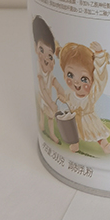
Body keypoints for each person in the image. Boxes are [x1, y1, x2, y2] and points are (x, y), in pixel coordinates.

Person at [58, 41, 110, 154]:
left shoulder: (91, 95)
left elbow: (100, 79)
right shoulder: (69, 93)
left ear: (92, 79)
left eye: (84, 79)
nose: (76, 82)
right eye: (70, 75)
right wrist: (63, 99)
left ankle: (105, 146)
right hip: (75, 119)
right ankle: (75, 144)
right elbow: (68, 101)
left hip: (88, 119)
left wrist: (99, 56)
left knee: (97, 133)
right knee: (73, 132)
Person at [33, 16, 63, 144]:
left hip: (48, 98)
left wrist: (62, 92)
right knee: (46, 113)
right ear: (36, 48)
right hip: (44, 98)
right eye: (41, 50)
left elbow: (55, 83)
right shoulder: (40, 74)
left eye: (50, 56)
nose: (46, 57)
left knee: (48, 114)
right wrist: (51, 103)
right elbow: (43, 90)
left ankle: (49, 131)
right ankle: (46, 128)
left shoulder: (50, 73)